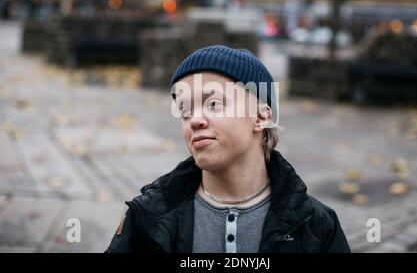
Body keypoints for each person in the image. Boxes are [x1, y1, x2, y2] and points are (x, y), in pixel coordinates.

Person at [105, 45, 351, 253]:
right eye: (185, 111)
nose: (194, 120)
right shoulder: (147, 219)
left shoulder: (316, 226)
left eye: (213, 104)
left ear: (261, 117)